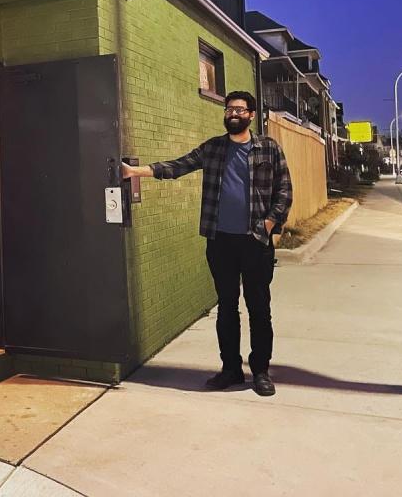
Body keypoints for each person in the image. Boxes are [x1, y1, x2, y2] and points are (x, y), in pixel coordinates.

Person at [121, 90, 292, 396]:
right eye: (229, 110)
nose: (233, 114)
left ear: (251, 115)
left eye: (239, 110)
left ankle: (261, 371)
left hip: (255, 242)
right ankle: (230, 369)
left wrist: (267, 225)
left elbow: (284, 192)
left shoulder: (268, 148)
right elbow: (180, 165)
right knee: (226, 307)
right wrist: (138, 171)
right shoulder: (214, 148)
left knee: (259, 309)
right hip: (221, 241)